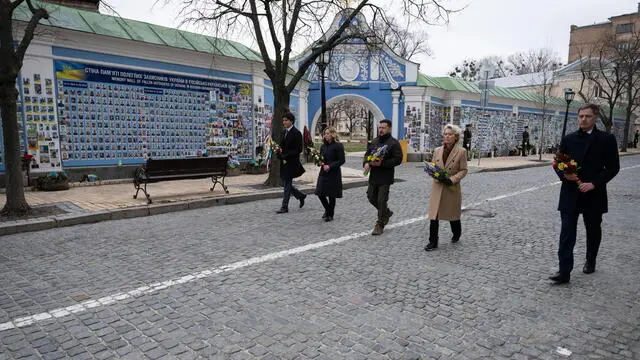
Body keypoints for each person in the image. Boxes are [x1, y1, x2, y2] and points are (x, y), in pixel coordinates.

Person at [549, 103, 620, 284]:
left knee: (593, 230)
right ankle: (564, 271)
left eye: (587, 116)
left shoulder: (606, 139)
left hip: (593, 194)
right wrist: (565, 175)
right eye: (581, 116)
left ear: (595, 117)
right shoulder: (568, 138)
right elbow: (558, 163)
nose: (583, 120)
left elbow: (613, 168)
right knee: (566, 233)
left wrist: (594, 184)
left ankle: (591, 259)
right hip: (570, 194)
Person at [424, 124, 468, 251]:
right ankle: (433, 241)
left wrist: (452, 179)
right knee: (434, 215)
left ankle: (456, 233)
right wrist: (433, 173)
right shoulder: (437, 150)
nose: (447, 137)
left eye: (450, 134)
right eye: (445, 134)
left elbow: (464, 170)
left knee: (452, 214)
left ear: (456, 137)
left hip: (451, 187)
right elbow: (433, 165)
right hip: (438, 186)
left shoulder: (462, 151)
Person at [364, 119, 403, 235]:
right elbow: (367, 155)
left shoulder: (393, 143)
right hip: (374, 175)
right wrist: (366, 163)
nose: (381, 130)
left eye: (383, 128)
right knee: (371, 197)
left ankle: (380, 224)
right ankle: (386, 212)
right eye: (379, 127)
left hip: (385, 176)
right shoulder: (374, 141)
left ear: (389, 128)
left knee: (381, 200)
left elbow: (398, 159)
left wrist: (382, 163)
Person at [276, 111, 306, 214]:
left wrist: (286, 155)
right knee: (285, 184)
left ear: (291, 121)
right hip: (284, 162)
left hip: (292, 162)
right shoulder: (283, 132)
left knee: (287, 183)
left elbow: (298, 149)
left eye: (286, 120)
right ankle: (300, 196)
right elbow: (281, 146)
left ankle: (284, 207)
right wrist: (278, 152)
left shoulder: (297, 133)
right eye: (283, 120)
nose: (284, 122)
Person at [314, 127, 345, 222]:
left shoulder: (338, 146)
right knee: (320, 192)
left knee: (331, 195)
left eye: (328, 133)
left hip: (333, 172)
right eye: (325, 133)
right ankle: (328, 209)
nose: (326, 135)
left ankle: (330, 214)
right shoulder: (323, 146)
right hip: (323, 172)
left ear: (333, 134)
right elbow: (321, 158)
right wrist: (319, 162)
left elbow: (342, 160)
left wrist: (330, 166)